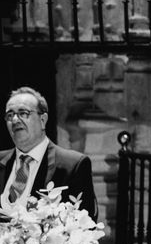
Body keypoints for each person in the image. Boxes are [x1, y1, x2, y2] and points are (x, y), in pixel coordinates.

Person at [0, 87, 97, 219]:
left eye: (23, 113)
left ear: (43, 120)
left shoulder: (73, 165)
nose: (15, 120)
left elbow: (85, 221)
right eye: (10, 115)